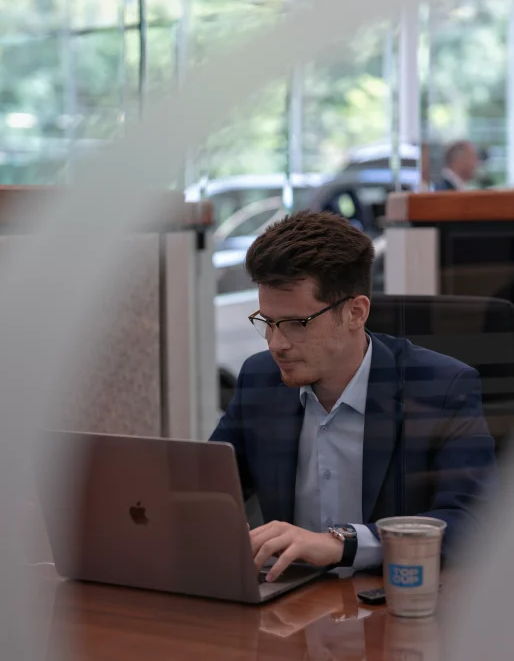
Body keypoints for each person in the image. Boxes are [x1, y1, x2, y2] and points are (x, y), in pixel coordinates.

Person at [211, 212, 497, 582]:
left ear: (355, 313)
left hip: (389, 599)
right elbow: (208, 492)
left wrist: (342, 544)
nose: (276, 344)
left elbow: (473, 522)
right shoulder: (260, 380)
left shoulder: (441, 387)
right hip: (291, 602)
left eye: (296, 324)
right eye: (267, 322)